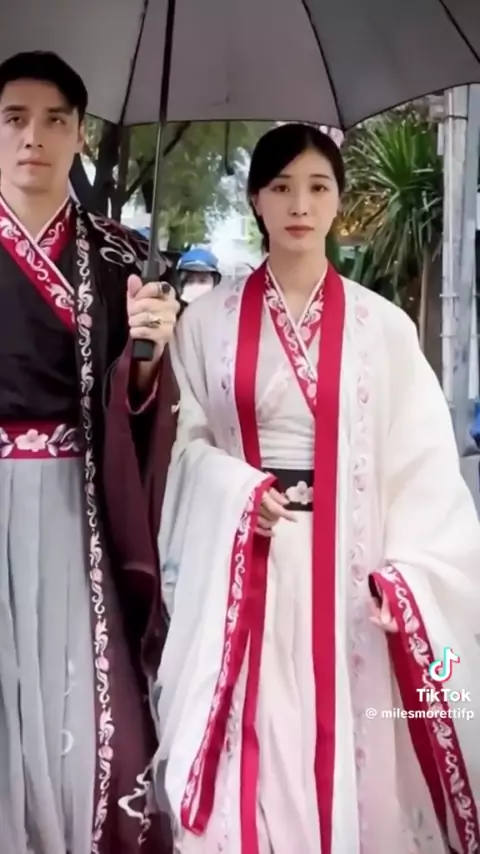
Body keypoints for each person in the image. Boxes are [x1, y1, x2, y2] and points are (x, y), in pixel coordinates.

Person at [152, 123, 480, 853]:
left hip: (347, 572)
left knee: (344, 742)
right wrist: (237, 491)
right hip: (246, 563)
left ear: (339, 201)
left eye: (318, 187)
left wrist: (406, 577)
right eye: (281, 187)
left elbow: (421, 461)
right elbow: (184, 445)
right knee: (252, 744)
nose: (300, 205)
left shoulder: (382, 327)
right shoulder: (205, 323)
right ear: (255, 201)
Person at [0, 51, 180, 854]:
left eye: (54, 121)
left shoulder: (119, 256)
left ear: (80, 134)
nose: (32, 138)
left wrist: (146, 355)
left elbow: (142, 407)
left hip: (79, 501)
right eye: (13, 119)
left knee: (79, 690)